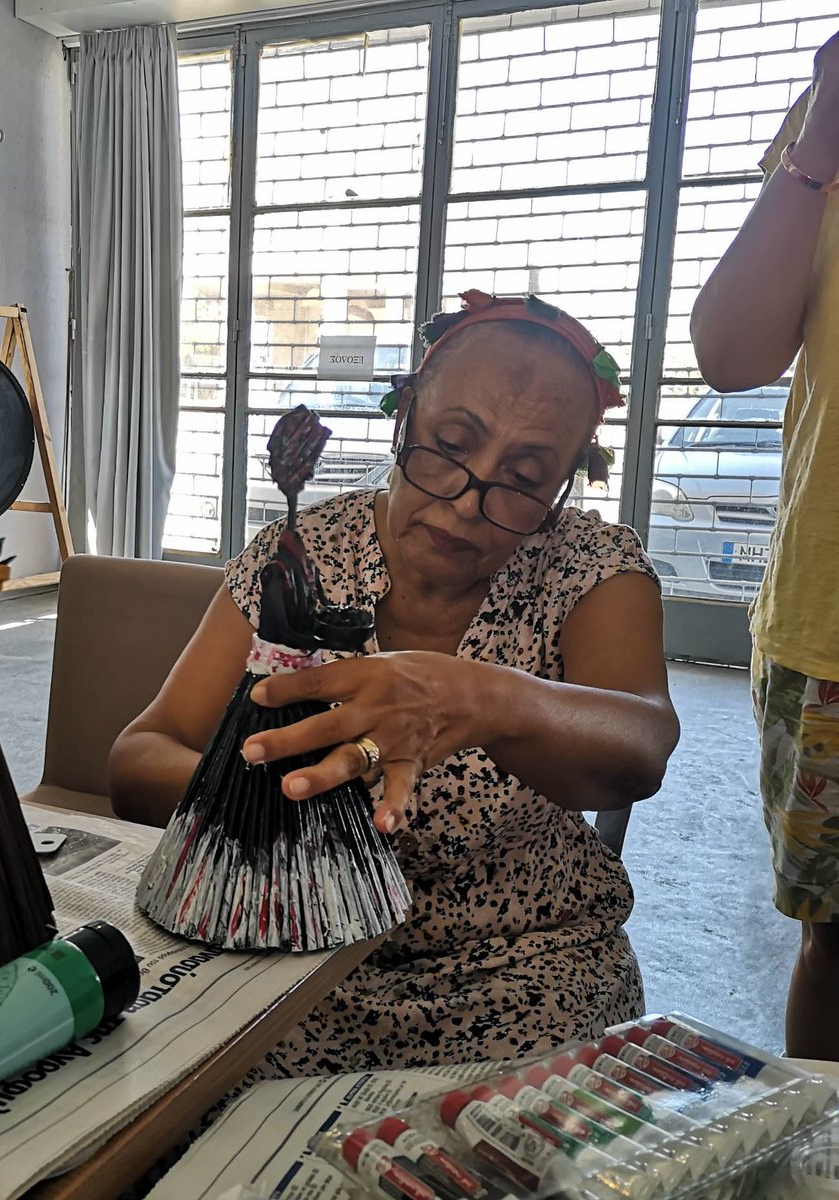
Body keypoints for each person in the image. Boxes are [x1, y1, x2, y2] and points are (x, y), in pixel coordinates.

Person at [110, 290, 680, 1070]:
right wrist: (290, 803)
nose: (467, 501)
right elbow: (142, 755)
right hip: (300, 953)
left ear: (563, 488)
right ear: (404, 414)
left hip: (524, 969)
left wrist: (479, 699)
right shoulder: (299, 557)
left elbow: (641, 746)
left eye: (523, 477)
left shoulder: (590, 565)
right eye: (450, 443)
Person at [691, 32, 839, 1062]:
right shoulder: (821, 116)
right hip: (829, 626)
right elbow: (731, 351)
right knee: (836, 944)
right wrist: (817, 148)